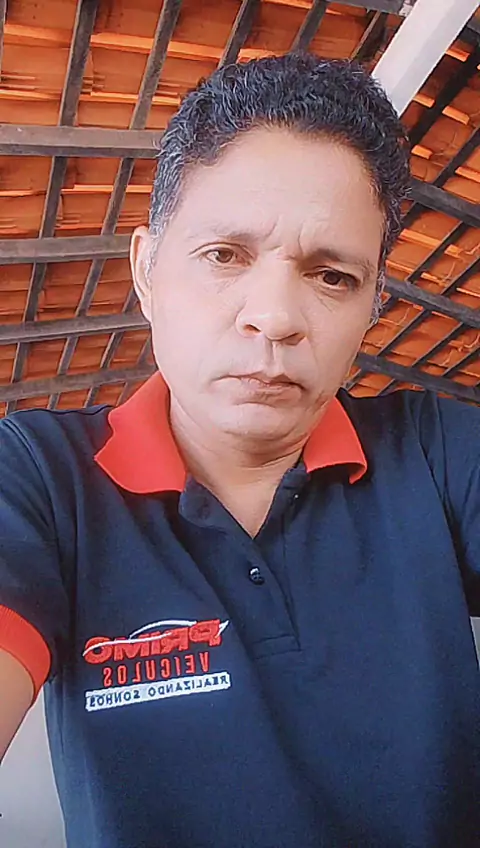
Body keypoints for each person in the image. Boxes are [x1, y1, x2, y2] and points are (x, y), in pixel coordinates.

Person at [0, 52, 478, 848]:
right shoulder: (41, 480)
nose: (276, 317)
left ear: (372, 306)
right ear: (147, 270)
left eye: (332, 276)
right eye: (224, 255)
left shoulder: (439, 453)